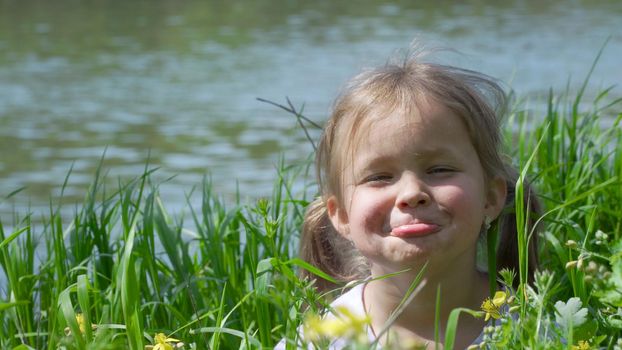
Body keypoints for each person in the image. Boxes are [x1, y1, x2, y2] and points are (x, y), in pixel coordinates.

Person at [280, 51, 540, 349]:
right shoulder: (324, 339)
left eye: (440, 169)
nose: (411, 193)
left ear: (491, 197)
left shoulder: (532, 330)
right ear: (340, 215)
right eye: (379, 177)